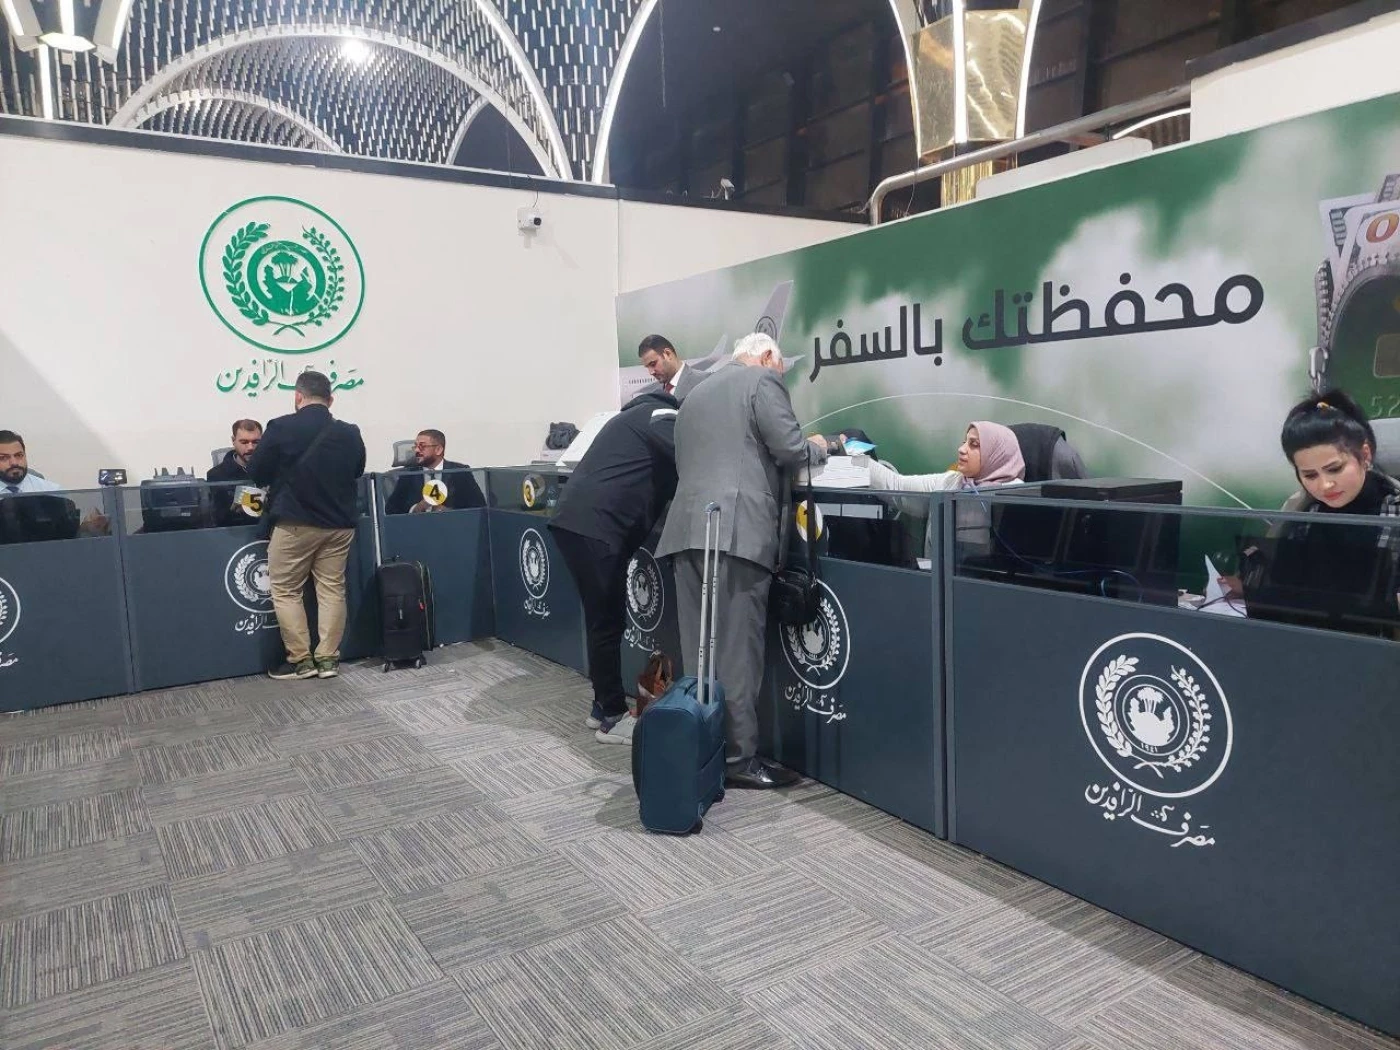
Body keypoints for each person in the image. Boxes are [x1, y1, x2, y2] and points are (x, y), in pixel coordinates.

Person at [656, 332, 828, 789]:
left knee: (699, 650)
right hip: (734, 532)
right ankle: (738, 759)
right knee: (737, 652)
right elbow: (790, 449)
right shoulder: (761, 381)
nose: (779, 375)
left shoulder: (693, 394)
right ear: (767, 356)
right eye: (780, 368)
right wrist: (821, 445)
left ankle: (704, 744)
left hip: (687, 529)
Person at [549, 390, 681, 744]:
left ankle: (600, 707)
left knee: (602, 620)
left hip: (577, 524)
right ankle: (612, 715)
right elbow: (694, 456)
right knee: (606, 622)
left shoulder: (628, 419)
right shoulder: (662, 416)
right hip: (598, 528)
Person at [1224, 390, 1400, 628]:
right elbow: (1282, 581)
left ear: (1365, 455)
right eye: (1309, 475)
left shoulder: (1394, 511)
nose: (1325, 485)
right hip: (1305, 638)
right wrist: (1249, 585)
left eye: (1335, 469)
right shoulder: (1301, 511)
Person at [247, 371, 366, 681]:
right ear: (331, 399)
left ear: (298, 397)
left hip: (295, 523)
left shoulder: (281, 427)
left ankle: (300, 661)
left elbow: (257, 472)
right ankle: (328, 660)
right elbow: (357, 470)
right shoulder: (350, 432)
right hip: (339, 525)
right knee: (332, 590)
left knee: (286, 591)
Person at [385, 429, 485, 514]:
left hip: (452, 526)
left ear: (438, 449)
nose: (416, 450)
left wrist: (449, 512)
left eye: (422, 446)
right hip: (417, 527)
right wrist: (416, 508)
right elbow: (391, 509)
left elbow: (479, 506)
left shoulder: (460, 472)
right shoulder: (408, 474)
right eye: (415, 446)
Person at [208, 420, 263, 526]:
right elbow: (216, 518)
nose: (250, 447)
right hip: (235, 530)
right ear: (233, 441)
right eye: (244, 442)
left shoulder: (273, 469)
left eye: (255, 442)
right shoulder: (217, 475)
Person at [638, 334, 706, 401]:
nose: (651, 372)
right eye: (647, 367)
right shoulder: (655, 395)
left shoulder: (704, 382)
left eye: (653, 364)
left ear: (668, 354)